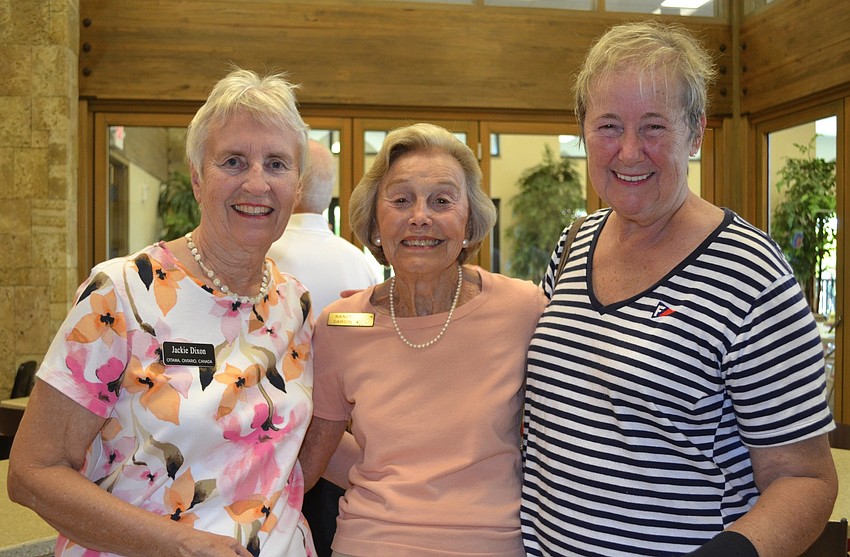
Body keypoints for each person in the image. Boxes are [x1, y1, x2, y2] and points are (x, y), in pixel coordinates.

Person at [521, 21, 838, 557]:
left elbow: (805, 481)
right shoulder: (573, 244)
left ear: (695, 133)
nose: (627, 152)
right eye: (607, 126)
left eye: (653, 127)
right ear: (582, 132)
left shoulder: (751, 272)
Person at [7, 68, 317, 557]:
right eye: (233, 161)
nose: (257, 182)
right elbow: (32, 472)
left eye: (277, 164)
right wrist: (181, 544)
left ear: (296, 187)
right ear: (197, 179)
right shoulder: (121, 292)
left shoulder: (293, 302)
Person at [299, 122, 549, 557]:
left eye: (441, 200)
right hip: (369, 543)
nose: (420, 216)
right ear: (374, 222)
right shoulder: (339, 324)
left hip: (490, 546)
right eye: (400, 199)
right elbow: (309, 461)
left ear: (469, 218)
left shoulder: (524, 309)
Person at [267, 139, 382, 557]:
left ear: (295, 186)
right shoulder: (362, 262)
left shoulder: (263, 257)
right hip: (349, 442)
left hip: (279, 443)